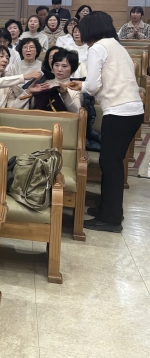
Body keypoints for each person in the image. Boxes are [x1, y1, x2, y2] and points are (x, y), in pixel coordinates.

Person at [69, 12, 145, 232]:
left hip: (119, 112)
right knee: (113, 162)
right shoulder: (116, 45)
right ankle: (108, 210)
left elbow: (92, 86)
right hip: (133, 111)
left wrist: (81, 86)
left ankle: (111, 219)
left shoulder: (98, 48)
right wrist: (83, 85)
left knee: (110, 164)